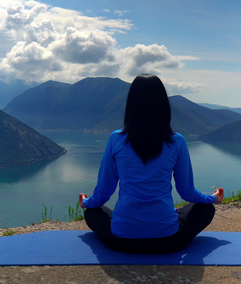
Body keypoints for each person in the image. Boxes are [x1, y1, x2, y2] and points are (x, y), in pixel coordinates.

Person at [78, 74, 224, 254]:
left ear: (131, 106)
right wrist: (213, 198)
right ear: (164, 106)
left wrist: (86, 203)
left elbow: (103, 194)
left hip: (122, 241)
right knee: (205, 209)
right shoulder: (176, 142)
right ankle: (163, 218)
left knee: (93, 212)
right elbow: (187, 192)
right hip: (168, 241)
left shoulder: (116, 139)